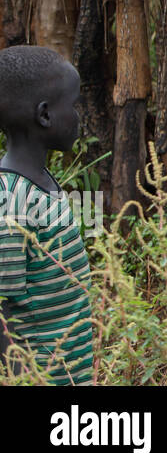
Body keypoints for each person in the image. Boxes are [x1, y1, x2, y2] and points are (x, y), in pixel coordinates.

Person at [0, 46, 94, 385]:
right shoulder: (12, 202)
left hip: (73, 372)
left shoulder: (41, 182)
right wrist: (26, 375)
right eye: (74, 105)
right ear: (45, 115)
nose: (79, 115)